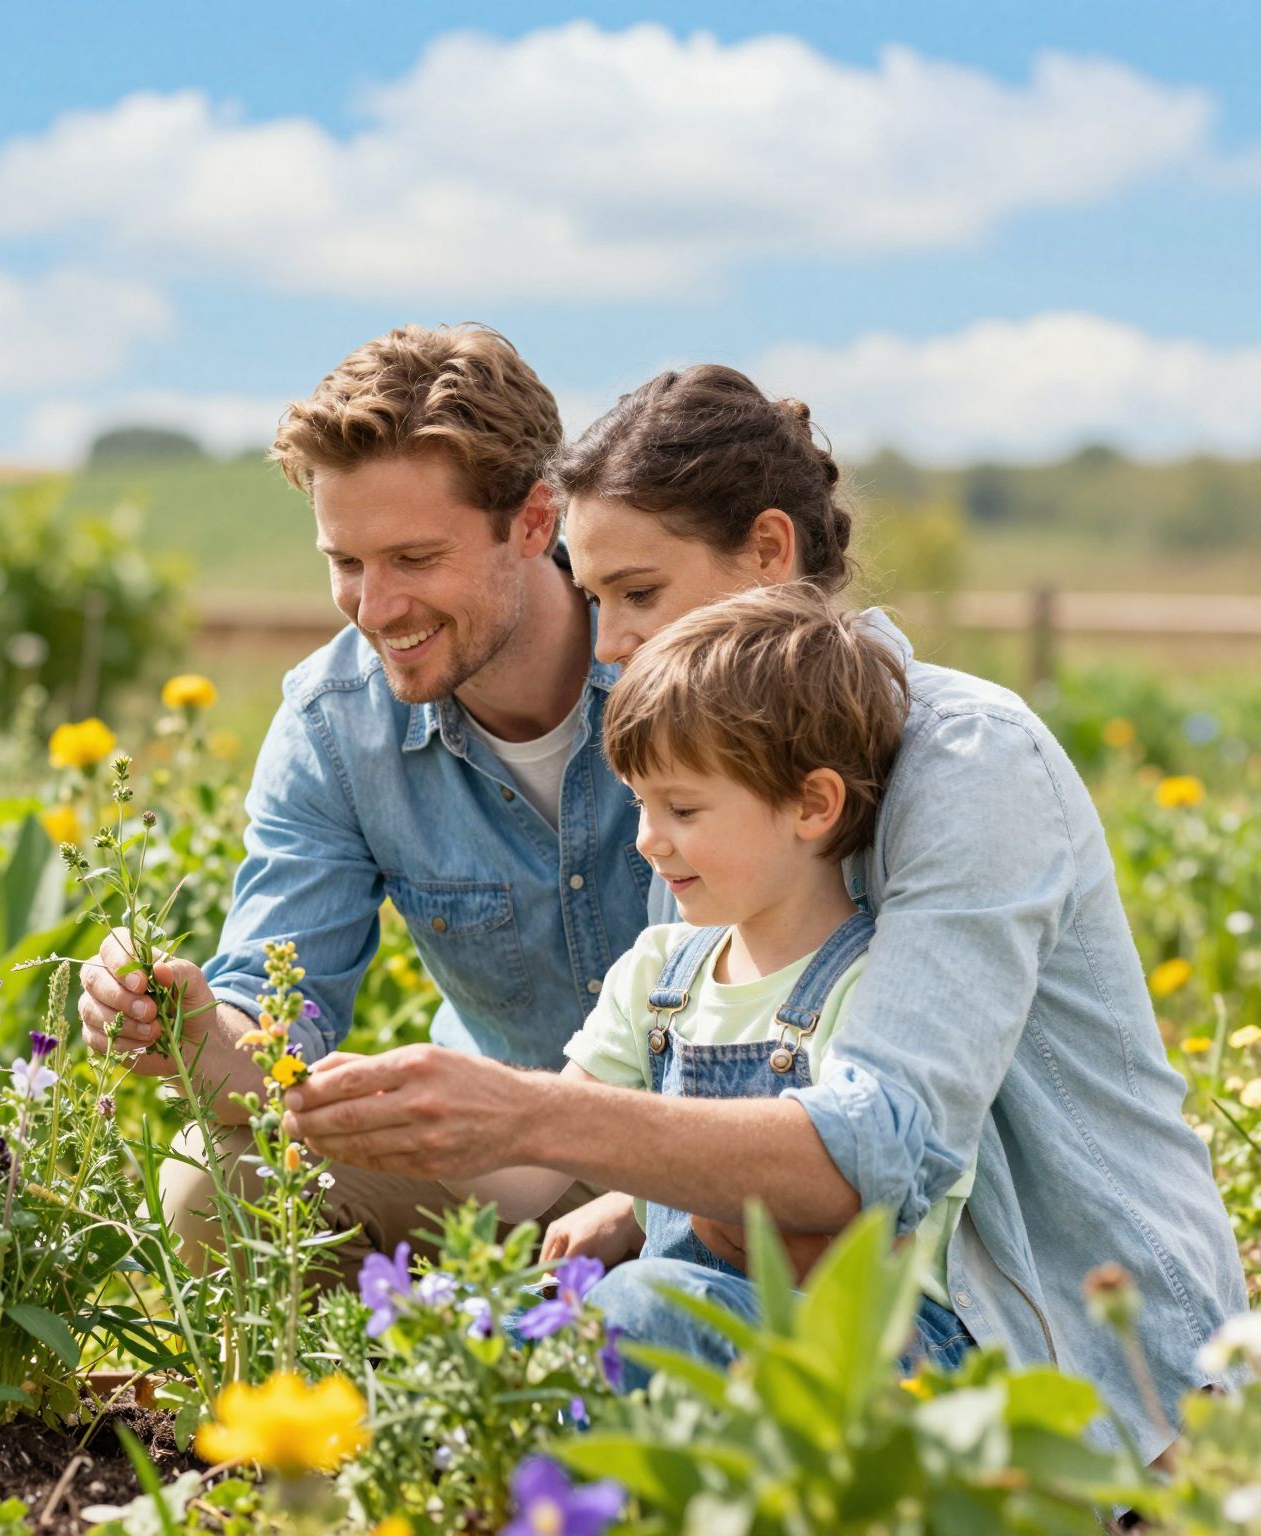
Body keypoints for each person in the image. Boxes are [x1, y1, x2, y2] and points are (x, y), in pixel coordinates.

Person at [279, 365, 1246, 1455]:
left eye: (638, 593)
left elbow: (881, 1144)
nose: (605, 643)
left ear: (770, 555)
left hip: (1062, 1335)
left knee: (627, 1332)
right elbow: (691, 1055)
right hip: (829, 1303)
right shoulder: (705, 779)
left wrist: (531, 1116)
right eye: (593, 598)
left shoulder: (965, 758)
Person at [78, 323, 650, 1272]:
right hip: (496, 1161)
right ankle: (405, 1406)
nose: (375, 608)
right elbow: (274, 1028)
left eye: (415, 560)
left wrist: (651, 1192)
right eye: (346, 562)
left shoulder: (671, 663)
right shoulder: (334, 727)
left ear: (535, 523)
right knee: (212, 1184)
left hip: (704, 1151)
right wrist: (185, 1032)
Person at [452, 583, 979, 1381]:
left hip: (877, 1351)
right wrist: (386, 1116)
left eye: (684, 809)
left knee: (638, 1308)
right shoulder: (660, 975)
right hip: (692, 1328)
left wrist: (679, 1204)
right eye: (638, 804)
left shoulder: (877, 993)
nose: (648, 842)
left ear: (813, 804)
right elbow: (528, 1170)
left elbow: (879, 1241)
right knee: (492, 1330)